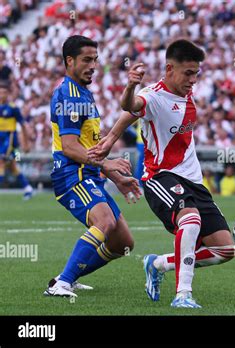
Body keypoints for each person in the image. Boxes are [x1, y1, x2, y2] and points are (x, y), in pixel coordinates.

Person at [88, 39, 235, 308]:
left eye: (196, 74)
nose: (193, 80)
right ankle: (183, 294)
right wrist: (130, 88)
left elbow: (130, 116)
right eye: (188, 73)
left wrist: (111, 137)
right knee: (190, 221)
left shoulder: (186, 92)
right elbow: (130, 106)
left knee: (225, 249)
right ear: (169, 69)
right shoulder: (153, 95)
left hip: (193, 180)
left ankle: (157, 263)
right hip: (160, 177)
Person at [44, 35, 141, 298]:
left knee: (123, 244)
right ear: (69, 61)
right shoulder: (68, 94)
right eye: (86, 60)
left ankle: (67, 278)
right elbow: (70, 147)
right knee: (104, 221)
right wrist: (108, 163)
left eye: (95, 60)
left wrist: (114, 176)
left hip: (88, 174)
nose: (93, 66)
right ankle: (63, 283)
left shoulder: (84, 92)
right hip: (71, 175)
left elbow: (90, 145)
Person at [0, 83, 33, 199]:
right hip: (2, 141)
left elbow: (23, 125)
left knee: (2, 161)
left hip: (9, 141)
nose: (1, 95)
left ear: (8, 94)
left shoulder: (13, 108)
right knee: (13, 166)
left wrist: (26, 143)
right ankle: (28, 188)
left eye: (4, 92)